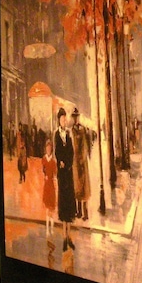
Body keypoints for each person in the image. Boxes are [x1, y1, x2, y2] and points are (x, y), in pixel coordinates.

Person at [54, 107, 76, 250]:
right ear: (59, 121)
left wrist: (67, 164)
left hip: (68, 173)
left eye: (64, 119)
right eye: (62, 119)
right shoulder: (56, 134)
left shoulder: (68, 134)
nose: (64, 121)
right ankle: (64, 237)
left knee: (69, 204)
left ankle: (69, 237)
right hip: (62, 175)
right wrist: (60, 162)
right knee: (63, 204)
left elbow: (71, 152)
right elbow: (57, 151)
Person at [71, 106, 91, 221]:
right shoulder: (72, 130)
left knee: (85, 188)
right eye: (74, 117)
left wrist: (82, 158)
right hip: (75, 162)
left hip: (82, 162)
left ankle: (86, 212)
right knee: (77, 186)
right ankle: (79, 211)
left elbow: (85, 146)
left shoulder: (83, 130)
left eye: (77, 117)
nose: (75, 119)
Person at [41, 137, 57, 240]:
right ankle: (47, 228)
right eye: (47, 148)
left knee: (52, 208)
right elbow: (43, 170)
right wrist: (44, 175)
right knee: (47, 208)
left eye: (50, 148)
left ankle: (52, 228)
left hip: (51, 185)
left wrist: (54, 178)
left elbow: (55, 173)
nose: (48, 150)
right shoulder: (43, 159)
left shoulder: (54, 161)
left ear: (51, 150)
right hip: (46, 185)